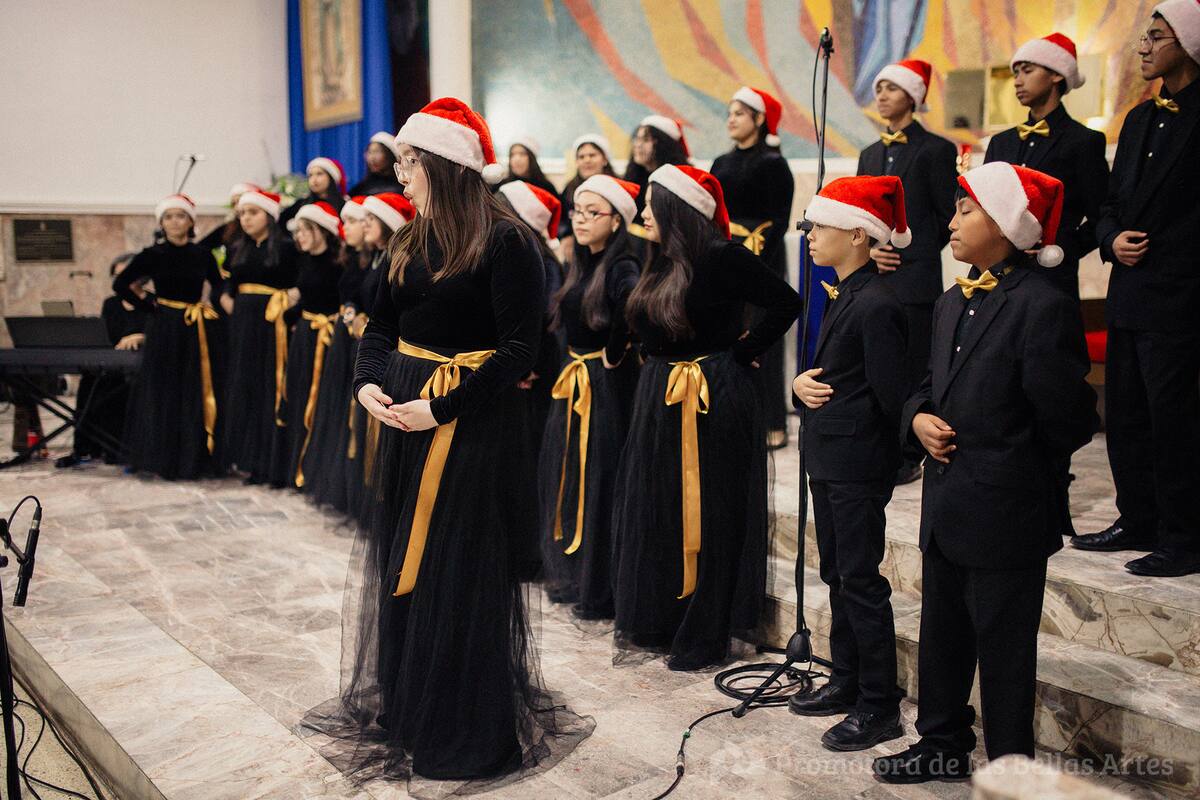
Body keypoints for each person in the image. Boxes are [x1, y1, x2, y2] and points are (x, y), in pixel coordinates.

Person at [303, 98, 591, 784]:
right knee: (410, 560)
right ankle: (413, 702)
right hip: (409, 416)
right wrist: (368, 382)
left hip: (471, 425)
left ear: (442, 163)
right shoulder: (408, 238)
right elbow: (379, 327)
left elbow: (521, 349)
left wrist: (444, 408)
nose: (398, 172)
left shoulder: (505, 242)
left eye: (408, 160)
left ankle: (465, 724)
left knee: (459, 569)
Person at [873, 163, 1097, 783]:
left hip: (1007, 506)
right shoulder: (950, 301)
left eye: (966, 210)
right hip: (947, 504)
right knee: (943, 635)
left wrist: (1016, 461)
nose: (951, 221)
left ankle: (1009, 768)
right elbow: (924, 386)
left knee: (1004, 650)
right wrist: (918, 420)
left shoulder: (1041, 306)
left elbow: (1071, 415)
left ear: (1006, 225)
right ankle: (941, 744)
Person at [612, 164, 800, 671]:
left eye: (653, 203)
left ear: (679, 209)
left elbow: (786, 302)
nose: (643, 212)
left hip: (714, 394)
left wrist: (742, 351)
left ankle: (705, 627)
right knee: (662, 505)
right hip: (661, 394)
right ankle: (663, 615)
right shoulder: (657, 258)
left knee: (711, 509)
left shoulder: (723, 256)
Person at [1071, 0, 1200, 578]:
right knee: (1125, 415)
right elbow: (1110, 204)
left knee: (1175, 419)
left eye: (1156, 36)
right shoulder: (1139, 119)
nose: (1143, 48)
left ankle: (1185, 535)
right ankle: (1138, 517)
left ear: (1189, 43)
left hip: (1181, 293)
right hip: (1130, 290)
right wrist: (1111, 237)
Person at [788, 176, 910, 752]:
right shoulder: (844, 294)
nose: (809, 235)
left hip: (858, 463)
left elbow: (893, 396)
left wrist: (893, 463)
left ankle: (880, 704)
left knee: (860, 580)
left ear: (859, 236)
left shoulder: (878, 304)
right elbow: (827, 382)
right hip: (831, 457)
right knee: (838, 574)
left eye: (821, 225)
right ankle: (846, 679)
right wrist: (798, 389)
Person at [984, 33, 1110, 541]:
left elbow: (1100, 213)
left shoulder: (1082, 142)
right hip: (999, 279)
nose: (1017, 80)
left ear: (1056, 76)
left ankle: (1054, 501)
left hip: (1049, 280)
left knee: (1047, 387)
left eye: (1027, 70)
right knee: (1000, 386)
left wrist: (1059, 247)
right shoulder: (1002, 143)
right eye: (1014, 71)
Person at [538, 174, 641, 618]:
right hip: (575, 377)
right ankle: (579, 572)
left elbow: (630, 314)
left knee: (601, 475)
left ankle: (602, 582)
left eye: (592, 213)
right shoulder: (582, 260)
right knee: (575, 474)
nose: (580, 221)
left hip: (603, 384)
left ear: (616, 221)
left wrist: (613, 355)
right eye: (577, 212)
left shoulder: (623, 266)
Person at [856, 59, 958, 486]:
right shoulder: (870, 153)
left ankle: (908, 450)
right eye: (878, 88)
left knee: (914, 363)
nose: (881, 95)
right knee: (877, 362)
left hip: (913, 276)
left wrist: (904, 250)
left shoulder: (935, 149)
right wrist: (873, 251)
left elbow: (942, 215)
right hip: (874, 273)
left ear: (913, 96)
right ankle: (878, 440)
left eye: (891, 88)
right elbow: (859, 210)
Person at [115, 195, 225, 480]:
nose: (174, 221)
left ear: (191, 221)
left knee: (195, 389)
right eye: (168, 217)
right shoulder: (153, 254)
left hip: (195, 328)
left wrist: (215, 309)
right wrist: (149, 306)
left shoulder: (202, 254)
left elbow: (218, 285)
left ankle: (195, 458)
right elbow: (120, 284)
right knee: (166, 389)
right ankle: (165, 460)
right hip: (164, 327)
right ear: (161, 223)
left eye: (180, 216)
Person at [712, 86, 796, 450]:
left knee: (764, 339)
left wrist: (751, 253)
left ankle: (771, 420)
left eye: (740, 113)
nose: (731, 119)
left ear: (759, 119)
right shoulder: (720, 163)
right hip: (727, 259)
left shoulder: (774, 164)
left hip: (762, 260)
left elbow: (778, 220)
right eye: (729, 112)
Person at [220, 190, 299, 484]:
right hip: (242, 324)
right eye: (242, 213)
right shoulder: (236, 248)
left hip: (272, 325)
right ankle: (250, 460)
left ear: (269, 215)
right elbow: (228, 284)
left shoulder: (287, 247)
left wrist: (291, 300)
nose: (246, 218)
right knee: (246, 386)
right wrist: (227, 298)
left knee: (271, 385)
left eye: (253, 212)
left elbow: (298, 283)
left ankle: (274, 463)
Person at [56, 253, 150, 468]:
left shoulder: (152, 302)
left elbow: (163, 332)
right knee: (91, 381)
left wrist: (141, 337)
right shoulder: (111, 304)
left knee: (121, 387)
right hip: (115, 362)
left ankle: (120, 448)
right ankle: (86, 448)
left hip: (142, 364)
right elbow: (106, 334)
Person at [276, 202, 344, 489]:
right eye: (299, 230)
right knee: (300, 394)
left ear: (322, 232)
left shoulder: (338, 263)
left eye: (306, 230)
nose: (300, 236)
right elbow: (307, 296)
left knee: (322, 400)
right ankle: (297, 468)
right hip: (305, 335)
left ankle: (319, 472)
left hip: (326, 336)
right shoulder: (304, 261)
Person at [496, 180, 565, 461]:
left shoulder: (543, 261)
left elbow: (540, 316)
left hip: (531, 366)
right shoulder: (505, 252)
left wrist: (525, 366)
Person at [556, 134, 618, 247]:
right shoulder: (570, 188)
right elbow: (562, 218)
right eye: (581, 157)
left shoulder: (617, 187)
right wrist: (565, 235)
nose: (587, 160)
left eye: (592, 155)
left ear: (605, 159)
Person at [624, 116, 690, 219]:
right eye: (637, 139)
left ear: (664, 144)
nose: (638, 145)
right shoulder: (633, 176)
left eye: (645, 140)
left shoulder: (680, 180)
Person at [280, 156, 348, 228]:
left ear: (331, 178)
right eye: (310, 175)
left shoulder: (343, 206)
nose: (314, 179)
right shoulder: (301, 204)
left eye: (319, 174)